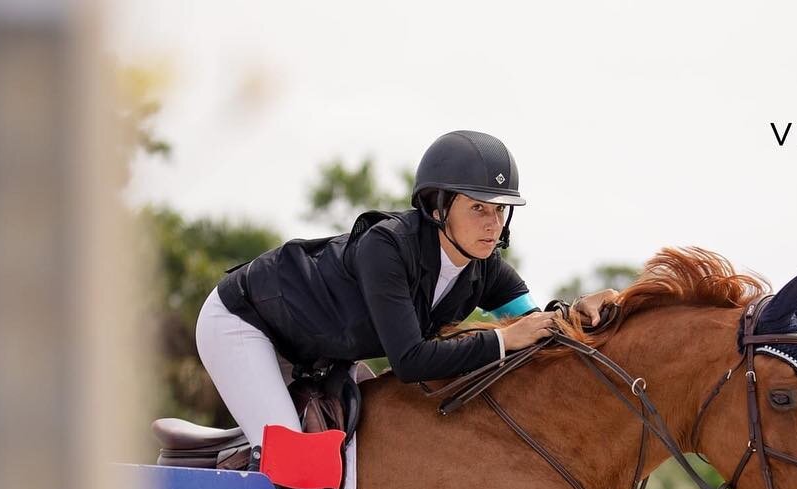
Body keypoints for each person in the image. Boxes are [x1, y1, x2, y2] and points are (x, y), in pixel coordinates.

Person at [196, 129, 616, 449]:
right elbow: (411, 361)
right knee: (294, 461)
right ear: (437, 207)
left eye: (501, 210)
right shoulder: (387, 247)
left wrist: (579, 312)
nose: (494, 224)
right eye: (478, 208)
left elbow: (533, 325)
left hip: (317, 355)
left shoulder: (485, 267)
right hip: (245, 323)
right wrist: (502, 339)